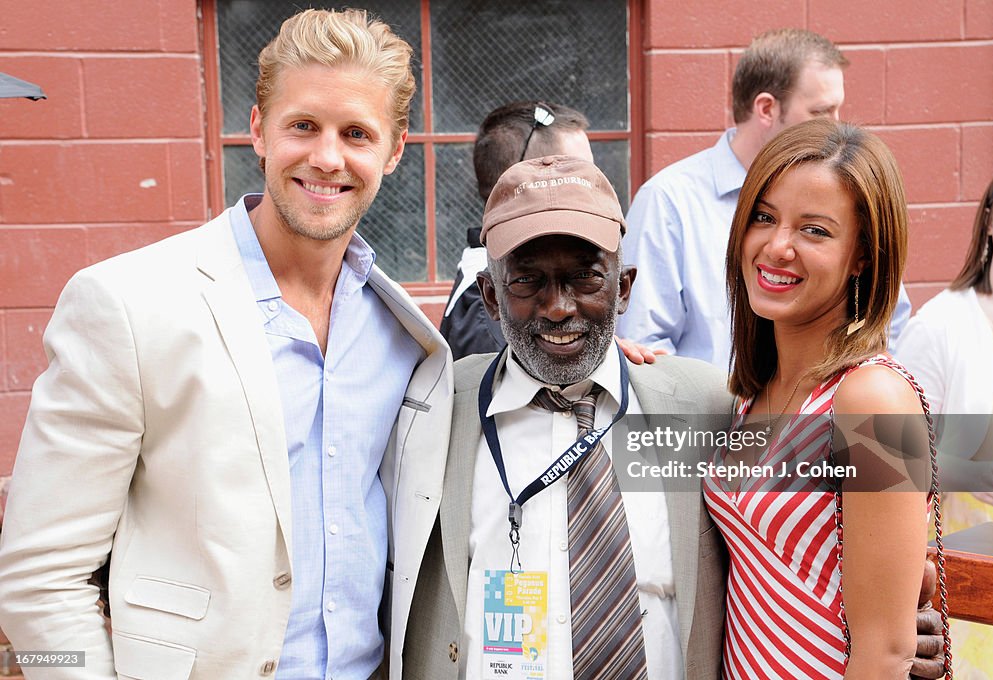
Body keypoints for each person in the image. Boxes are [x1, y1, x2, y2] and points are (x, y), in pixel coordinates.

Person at [0, 9, 451, 679]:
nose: (327, 157)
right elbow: (36, 578)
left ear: (393, 150)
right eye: (303, 125)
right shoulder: (127, 304)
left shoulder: (402, 334)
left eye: (356, 133)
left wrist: (620, 368)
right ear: (258, 131)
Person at [406, 155, 734, 679]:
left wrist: (908, 586)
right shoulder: (435, 405)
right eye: (526, 282)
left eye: (585, 278)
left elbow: (861, 476)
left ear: (622, 288)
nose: (558, 307)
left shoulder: (699, 406)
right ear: (491, 297)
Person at [703, 118, 948, 678]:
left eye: (814, 230)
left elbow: (888, 651)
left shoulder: (874, 399)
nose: (777, 246)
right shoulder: (752, 391)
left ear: (862, 255)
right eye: (763, 218)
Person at [618, 28, 912, 369]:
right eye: (821, 112)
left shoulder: (843, 187)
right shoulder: (669, 200)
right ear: (766, 108)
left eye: (813, 230)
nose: (836, 126)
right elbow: (645, 348)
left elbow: (889, 322)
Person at [896, 155, 993, 677]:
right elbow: (886, 457)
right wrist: (969, 469)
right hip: (970, 590)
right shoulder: (943, 324)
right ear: (990, 216)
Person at [441, 101, 592, 360]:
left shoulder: (511, 289)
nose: (596, 188)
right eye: (581, 177)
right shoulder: (489, 319)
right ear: (523, 184)